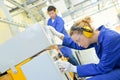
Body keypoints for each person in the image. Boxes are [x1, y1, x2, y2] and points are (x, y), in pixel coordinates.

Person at [48, 16, 120, 80]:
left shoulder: (110, 39)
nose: (78, 45)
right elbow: (76, 45)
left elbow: (102, 68)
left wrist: (74, 68)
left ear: (86, 33)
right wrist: (60, 36)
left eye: (78, 40)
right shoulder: (96, 38)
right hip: (115, 67)